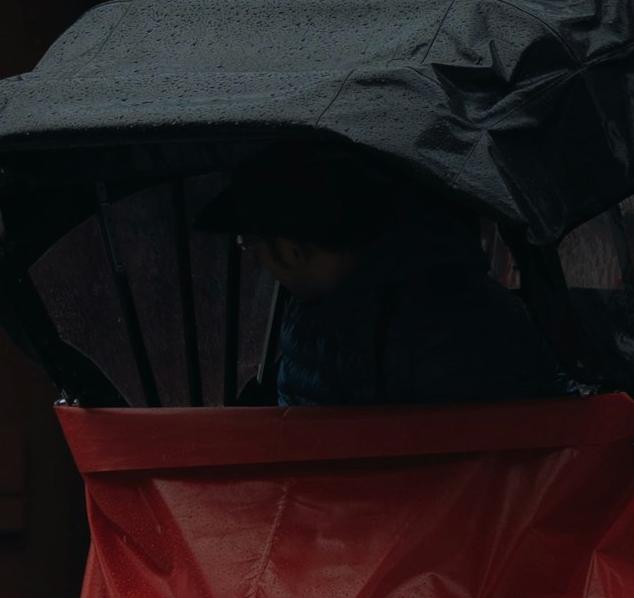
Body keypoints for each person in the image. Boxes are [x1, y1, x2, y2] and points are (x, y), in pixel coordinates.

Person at [197, 136, 570, 406]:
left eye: (252, 246)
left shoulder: (459, 325)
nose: (259, 264)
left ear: (290, 250)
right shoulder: (317, 308)